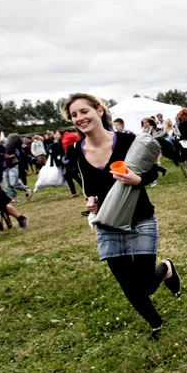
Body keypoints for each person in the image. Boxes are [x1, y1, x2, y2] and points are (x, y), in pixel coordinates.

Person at [64, 93, 180, 340]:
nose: (80, 118)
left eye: (84, 111)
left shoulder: (128, 141)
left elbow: (155, 172)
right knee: (129, 286)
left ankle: (166, 267)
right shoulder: (76, 148)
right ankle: (156, 325)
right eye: (74, 115)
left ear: (98, 110)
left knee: (147, 284)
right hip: (108, 223)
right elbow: (88, 185)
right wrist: (91, 200)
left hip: (140, 218)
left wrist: (138, 179)